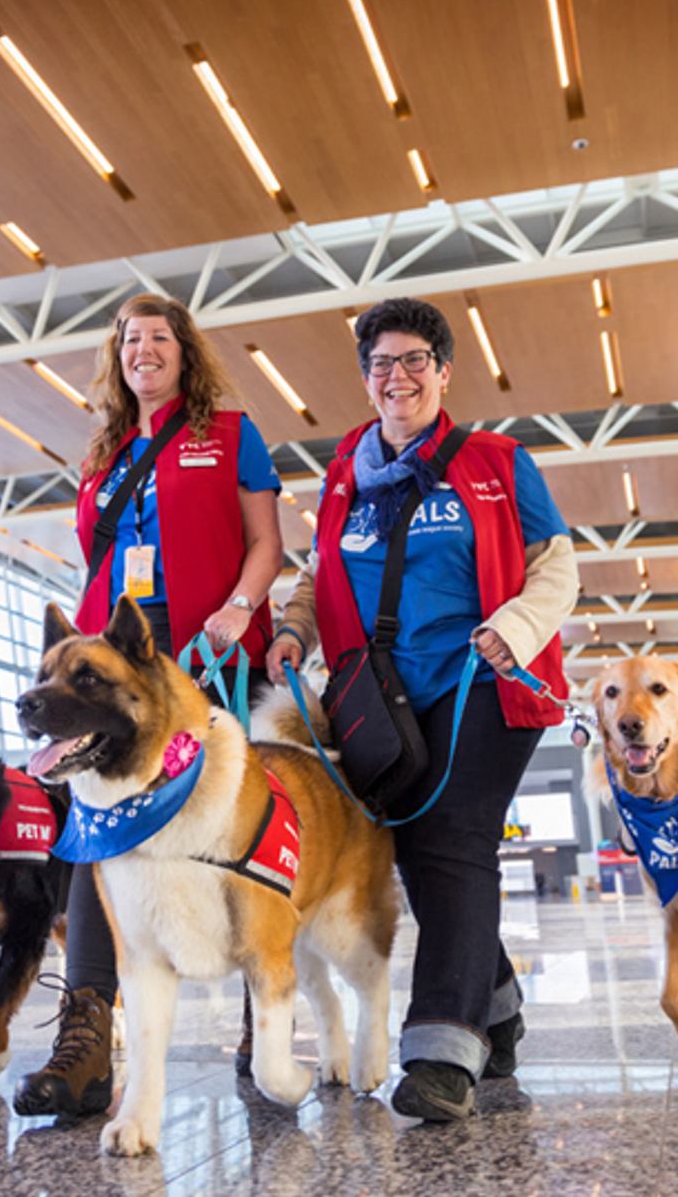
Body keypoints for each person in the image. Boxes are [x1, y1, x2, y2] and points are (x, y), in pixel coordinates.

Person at [266, 297, 578, 1122]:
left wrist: (513, 628)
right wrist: (295, 631)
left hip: (480, 682)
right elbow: (316, 572)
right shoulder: (346, 472)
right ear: (366, 379)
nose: (396, 377)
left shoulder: (498, 461)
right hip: (379, 699)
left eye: (413, 361)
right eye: (381, 365)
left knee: (452, 845)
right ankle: (498, 1011)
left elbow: (557, 570)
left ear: (443, 371)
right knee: (416, 853)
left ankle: (442, 1053)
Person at [13, 294, 282, 1118]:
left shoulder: (228, 435)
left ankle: (259, 1016)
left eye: (161, 338)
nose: (145, 351)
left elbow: (267, 542)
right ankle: (88, 1034)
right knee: (98, 832)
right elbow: (97, 562)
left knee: (240, 825)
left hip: (209, 645)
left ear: (185, 352)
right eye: (131, 340)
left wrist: (238, 608)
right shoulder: (102, 454)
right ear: (117, 356)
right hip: (119, 654)